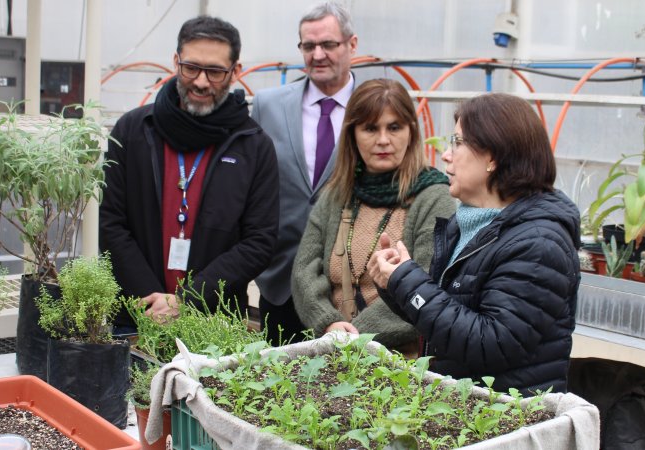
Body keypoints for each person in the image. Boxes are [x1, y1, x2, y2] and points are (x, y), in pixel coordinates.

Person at [369, 93, 581, 394]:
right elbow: (450, 321)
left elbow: (490, 342)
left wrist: (409, 282)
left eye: (457, 142)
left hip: (505, 418)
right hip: (464, 404)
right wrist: (395, 284)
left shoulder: (538, 244)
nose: (445, 154)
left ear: (493, 157)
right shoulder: (470, 222)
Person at [100, 16, 279, 330]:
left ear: (235, 72)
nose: (200, 82)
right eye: (191, 68)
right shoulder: (134, 131)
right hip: (136, 315)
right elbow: (111, 222)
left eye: (215, 72)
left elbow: (259, 241)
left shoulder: (253, 146)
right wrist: (149, 297)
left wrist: (188, 299)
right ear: (175, 62)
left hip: (214, 323)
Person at [291, 79, 455, 355]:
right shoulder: (338, 194)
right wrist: (329, 323)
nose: (383, 140)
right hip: (332, 352)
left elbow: (431, 285)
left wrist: (354, 337)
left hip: (402, 363)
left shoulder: (433, 197)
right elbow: (305, 269)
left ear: (411, 132)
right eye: (370, 128)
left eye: (394, 127)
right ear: (352, 133)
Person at [252, 2, 358, 344]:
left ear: (351, 45)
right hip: (281, 280)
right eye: (308, 46)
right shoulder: (268, 105)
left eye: (328, 45)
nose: (318, 54)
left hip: (349, 284)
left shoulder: (373, 108)